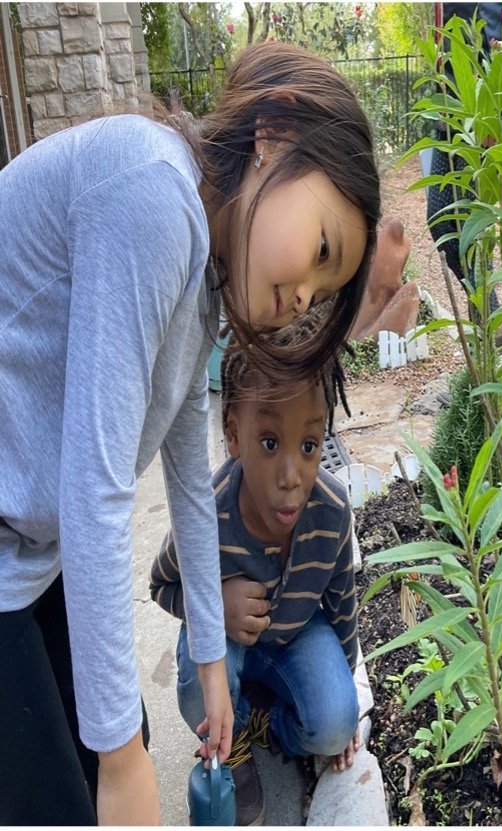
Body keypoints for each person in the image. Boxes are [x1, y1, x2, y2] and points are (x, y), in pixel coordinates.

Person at [0, 41, 379, 826]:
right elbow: (97, 485)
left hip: (31, 548)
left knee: (111, 741)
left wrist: (212, 654)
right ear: (275, 133)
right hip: (23, 533)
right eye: (319, 249)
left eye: (324, 289)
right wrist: (118, 758)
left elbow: (182, 459)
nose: (305, 292)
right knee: (71, 786)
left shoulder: (200, 271)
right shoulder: (152, 191)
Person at [150, 313, 360, 826]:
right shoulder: (207, 515)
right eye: (270, 443)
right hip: (225, 643)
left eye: (309, 446)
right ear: (234, 435)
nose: (292, 476)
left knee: (335, 723)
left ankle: (266, 723)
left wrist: (346, 689)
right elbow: (160, 584)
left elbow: (341, 605)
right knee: (202, 680)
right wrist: (213, 606)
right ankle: (234, 742)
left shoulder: (330, 513)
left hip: (296, 637)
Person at [427, 3, 502, 339]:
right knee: (441, 219)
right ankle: (490, 318)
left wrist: (500, 98)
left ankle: (493, 336)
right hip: (450, 111)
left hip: (481, 111)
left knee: (472, 227)